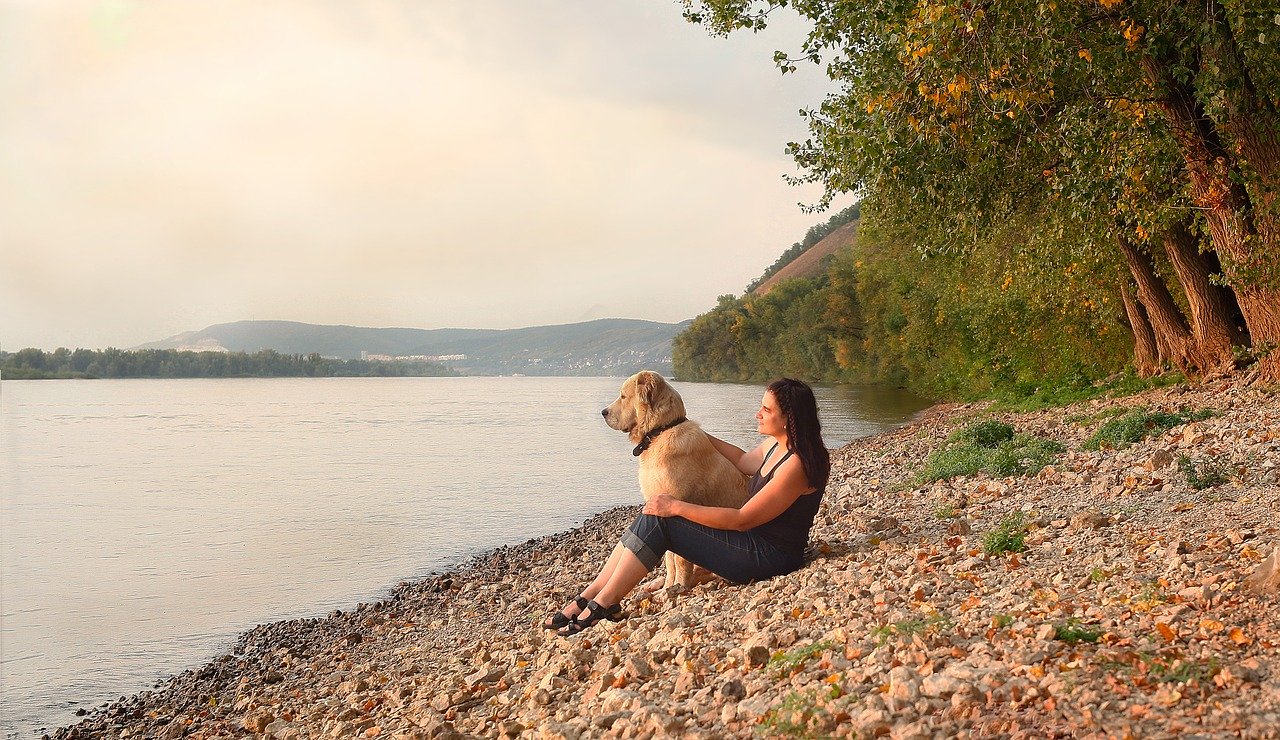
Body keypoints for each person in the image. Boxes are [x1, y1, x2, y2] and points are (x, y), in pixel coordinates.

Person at [542, 377, 831, 635]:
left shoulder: (797, 464)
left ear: (788, 418)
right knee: (653, 512)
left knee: (662, 516)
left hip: (767, 557)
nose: (758, 413)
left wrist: (676, 507)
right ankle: (592, 594)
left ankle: (603, 602)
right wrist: (685, 429)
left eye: (766, 410)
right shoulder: (776, 445)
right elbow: (743, 461)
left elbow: (743, 519)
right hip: (752, 544)